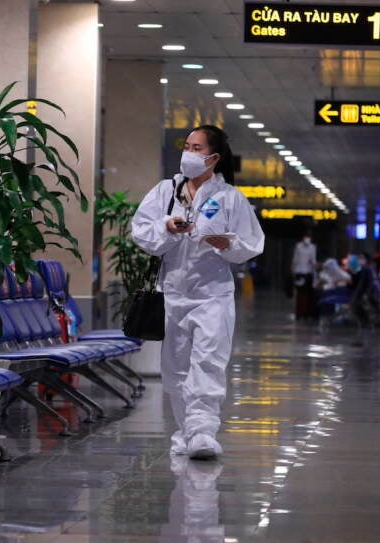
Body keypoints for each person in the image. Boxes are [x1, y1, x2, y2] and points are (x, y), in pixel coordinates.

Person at [131, 125, 265, 460]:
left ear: (214, 158)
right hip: (174, 292)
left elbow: (251, 243)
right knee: (175, 369)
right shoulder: (165, 192)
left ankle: (203, 432)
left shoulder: (230, 198)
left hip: (213, 295)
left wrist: (227, 244)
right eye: (186, 146)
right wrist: (166, 227)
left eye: (196, 148)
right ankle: (186, 431)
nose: (189, 153)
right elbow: (141, 232)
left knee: (208, 362)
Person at [291, 231, 317, 320]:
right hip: (299, 272)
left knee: (307, 294)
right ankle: (298, 313)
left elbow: (313, 261)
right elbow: (295, 259)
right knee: (299, 294)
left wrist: (314, 274)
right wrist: (293, 270)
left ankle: (306, 313)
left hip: (308, 273)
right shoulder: (298, 246)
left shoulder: (312, 247)